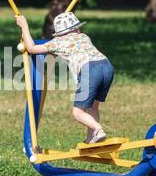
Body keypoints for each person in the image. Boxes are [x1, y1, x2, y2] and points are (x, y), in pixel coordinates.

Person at [15, 12, 114, 144]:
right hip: (107, 67)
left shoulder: (58, 42)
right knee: (93, 107)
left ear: (59, 33)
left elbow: (32, 48)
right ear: (76, 28)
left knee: (78, 112)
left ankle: (98, 129)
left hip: (89, 70)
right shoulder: (84, 37)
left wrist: (24, 27)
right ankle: (92, 137)